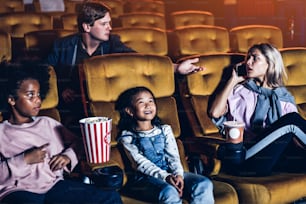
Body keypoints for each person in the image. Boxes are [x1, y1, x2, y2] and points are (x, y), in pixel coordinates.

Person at [46, 1, 203, 133]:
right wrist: (61, 89)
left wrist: (176, 68)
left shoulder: (113, 43)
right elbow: (46, 72)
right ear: (87, 27)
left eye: (110, 23)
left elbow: (138, 60)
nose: (110, 27)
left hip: (105, 106)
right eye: (104, 24)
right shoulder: (62, 46)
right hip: (72, 107)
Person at [0, 61, 122, 204]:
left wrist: (68, 156)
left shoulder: (47, 123)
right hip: (17, 191)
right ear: (11, 99)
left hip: (54, 186)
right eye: (30, 95)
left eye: (39, 94)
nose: (38, 100)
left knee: (110, 198)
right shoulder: (2, 132)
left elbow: (80, 142)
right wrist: (25, 159)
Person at [208, 43, 306, 176]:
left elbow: (295, 140)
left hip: (274, 160)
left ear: (270, 63)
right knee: (292, 120)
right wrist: (233, 80)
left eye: (255, 58)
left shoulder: (283, 98)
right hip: (245, 158)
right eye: (248, 57)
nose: (248, 62)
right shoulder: (239, 91)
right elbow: (215, 112)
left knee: (292, 125)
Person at [115, 86, 214, 204]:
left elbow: (173, 156)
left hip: (171, 172)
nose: (148, 105)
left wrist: (178, 175)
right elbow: (140, 164)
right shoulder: (128, 137)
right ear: (129, 111)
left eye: (151, 101)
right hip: (145, 179)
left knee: (203, 184)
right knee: (169, 191)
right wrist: (166, 177)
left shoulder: (165, 130)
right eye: (141, 102)